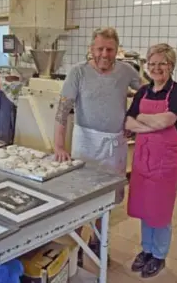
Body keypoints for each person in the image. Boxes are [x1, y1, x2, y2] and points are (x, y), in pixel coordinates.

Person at [54, 27, 143, 259]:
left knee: (107, 199)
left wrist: (132, 117)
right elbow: (63, 110)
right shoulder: (78, 73)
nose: (104, 54)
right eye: (100, 49)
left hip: (114, 145)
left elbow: (146, 93)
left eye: (110, 49)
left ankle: (98, 244)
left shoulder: (126, 71)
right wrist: (59, 145)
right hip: (85, 143)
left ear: (117, 51)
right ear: (91, 49)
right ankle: (76, 248)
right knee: (80, 198)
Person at [125, 43, 177, 278]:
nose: (156, 68)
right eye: (151, 64)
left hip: (165, 161)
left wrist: (141, 119)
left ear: (171, 65)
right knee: (144, 206)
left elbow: (167, 121)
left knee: (160, 209)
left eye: (162, 63)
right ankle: (146, 250)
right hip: (143, 159)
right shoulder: (143, 91)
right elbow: (128, 122)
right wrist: (149, 120)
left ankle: (159, 255)